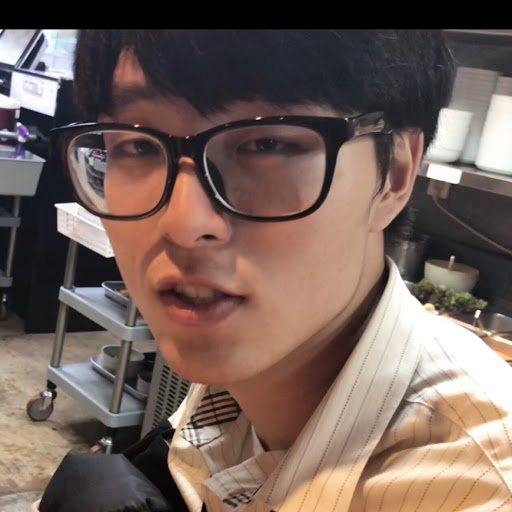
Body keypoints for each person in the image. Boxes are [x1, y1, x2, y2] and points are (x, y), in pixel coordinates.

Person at [37, 30, 512, 511]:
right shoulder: (255, 369)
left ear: (394, 175)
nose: (183, 224)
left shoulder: (479, 487)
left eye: (267, 143)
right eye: (138, 146)